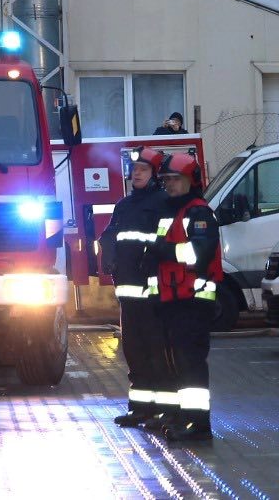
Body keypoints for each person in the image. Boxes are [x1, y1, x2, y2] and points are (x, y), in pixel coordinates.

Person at [149, 152, 222, 442]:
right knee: (179, 363)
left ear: (190, 180)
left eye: (175, 179)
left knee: (190, 363)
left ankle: (199, 425)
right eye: (166, 179)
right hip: (174, 300)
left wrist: (162, 251)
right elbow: (159, 260)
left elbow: (197, 253)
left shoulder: (199, 213)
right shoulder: (173, 213)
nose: (169, 184)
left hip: (193, 301)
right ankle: (186, 417)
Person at [98, 152, 172, 426]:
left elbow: (166, 242)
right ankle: (140, 408)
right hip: (128, 294)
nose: (137, 173)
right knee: (134, 351)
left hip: (154, 294)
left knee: (157, 351)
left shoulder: (163, 203)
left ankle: (163, 411)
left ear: (155, 174)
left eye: (144, 169)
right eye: (134, 169)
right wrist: (108, 255)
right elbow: (109, 233)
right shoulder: (124, 205)